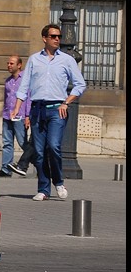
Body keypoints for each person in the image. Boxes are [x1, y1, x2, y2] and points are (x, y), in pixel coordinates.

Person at [12, 23, 87, 202]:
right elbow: (25, 85)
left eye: (58, 37)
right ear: (44, 38)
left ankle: (59, 182)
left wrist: (66, 102)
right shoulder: (34, 59)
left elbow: (80, 84)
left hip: (57, 110)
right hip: (37, 109)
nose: (57, 39)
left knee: (53, 146)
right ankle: (43, 189)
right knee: (39, 151)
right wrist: (17, 107)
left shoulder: (66, 60)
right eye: (53, 36)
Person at [0, 54, 30, 178]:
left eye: (11, 63)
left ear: (19, 65)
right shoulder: (8, 81)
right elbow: (7, 99)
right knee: (7, 143)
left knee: (23, 143)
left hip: (20, 116)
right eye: (8, 63)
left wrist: (28, 116)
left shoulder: (25, 80)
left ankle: (39, 166)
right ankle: (6, 169)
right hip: (7, 115)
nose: (9, 65)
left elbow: (29, 99)